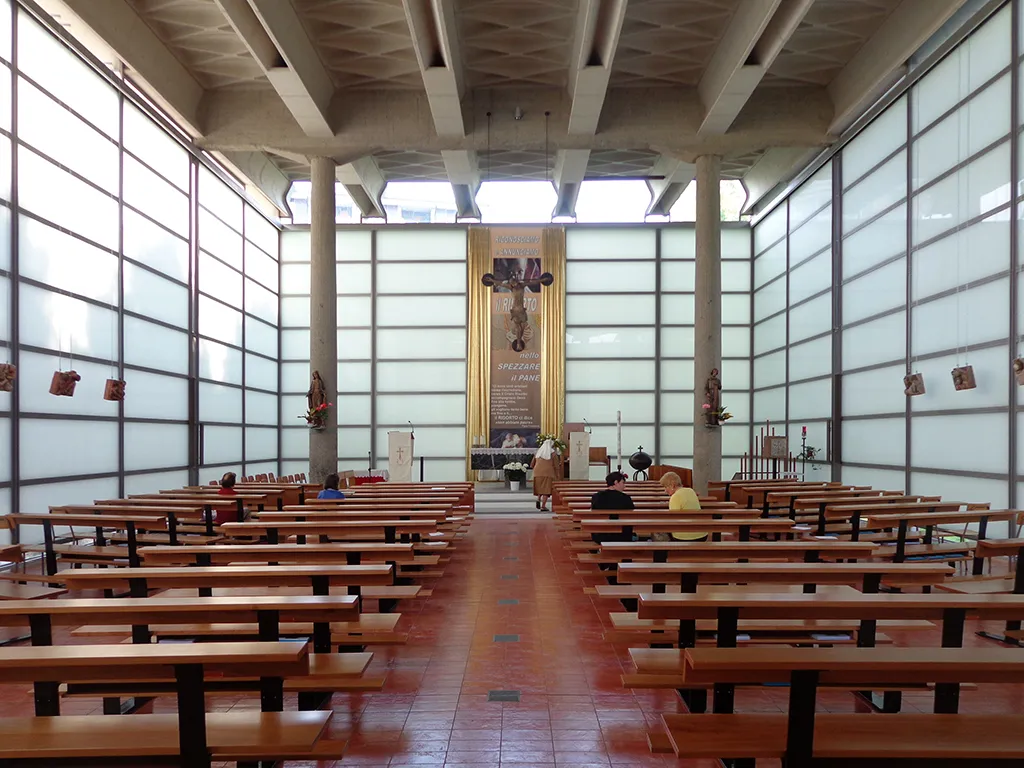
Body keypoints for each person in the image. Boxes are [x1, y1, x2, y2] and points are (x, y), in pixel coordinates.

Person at [590, 472, 634, 547]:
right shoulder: (626, 498)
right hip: (622, 536)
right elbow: (632, 515)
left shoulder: (596, 497)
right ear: (616, 482)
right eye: (623, 483)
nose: (624, 486)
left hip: (600, 535)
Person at [659, 471, 706, 542]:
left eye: (666, 487)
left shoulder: (675, 497)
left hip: (683, 537)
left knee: (658, 531)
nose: (665, 490)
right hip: (702, 534)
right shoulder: (691, 491)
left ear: (672, 485)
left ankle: (663, 552)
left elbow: (673, 520)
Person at [530, 439, 556, 511]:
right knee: (546, 490)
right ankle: (543, 506)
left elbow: (532, 464)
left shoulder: (538, 452)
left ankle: (538, 499)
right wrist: (558, 476)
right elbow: (556, 465)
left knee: (540, 488)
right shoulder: (553, 453)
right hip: (548, 473)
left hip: (537, 473)